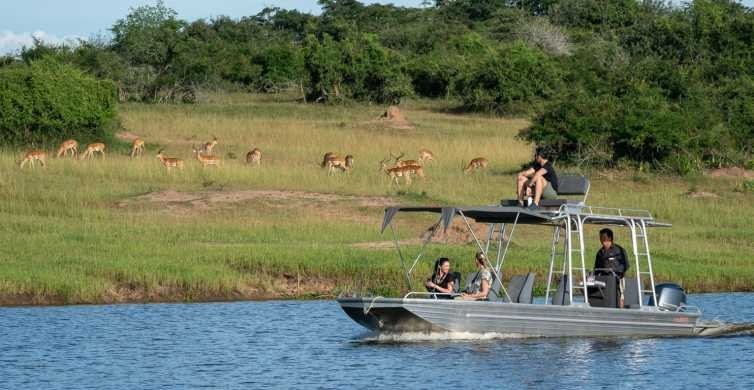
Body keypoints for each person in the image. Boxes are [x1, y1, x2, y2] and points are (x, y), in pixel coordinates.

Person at [594, 228, 629, 307]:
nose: (601, 239)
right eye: (600, 237)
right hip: (604, 280)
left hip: (618, 279)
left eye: (603, 237)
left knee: (620, 296)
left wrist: (617, 274)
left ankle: (620, 312)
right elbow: (596, 268)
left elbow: (626, 265)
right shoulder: (600, 252)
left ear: (609, 238)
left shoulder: (619, 250)